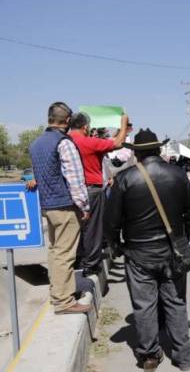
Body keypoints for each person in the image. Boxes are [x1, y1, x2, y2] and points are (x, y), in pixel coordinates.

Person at [105, 129, 190, 371]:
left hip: (138, 254)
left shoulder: (125, 178)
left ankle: (150, 356)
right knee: (176, 302)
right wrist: (182, 239)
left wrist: (116, 246)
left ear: (137, 153)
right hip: (172, 253)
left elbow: (111, 221)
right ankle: (183, 356)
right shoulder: (177, 174)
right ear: (157, 150)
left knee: (144, 305)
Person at [29, 102, 92, 314]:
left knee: (55, 252)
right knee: (65, 255)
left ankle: (57, 294)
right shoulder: (64, 143)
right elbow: (75, 179)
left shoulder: (36, 143)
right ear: (67, 121)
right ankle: (64, 302)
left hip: (47, 205)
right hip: (65, 206)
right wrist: (84, 205)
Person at [68, 111, 129, 276]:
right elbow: (118, 143)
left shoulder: (64, 142)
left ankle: (77, 260)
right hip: (92, 190)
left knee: (75, 228)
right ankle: (90, 264)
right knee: (93, 228)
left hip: (69, 191)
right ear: (86, 127)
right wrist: (123, 123)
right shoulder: (89, 142)